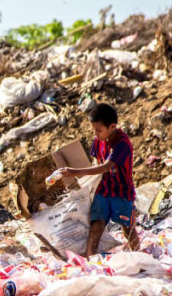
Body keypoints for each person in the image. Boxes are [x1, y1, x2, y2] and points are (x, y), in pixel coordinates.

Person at [48, 102, 138, 257]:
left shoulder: (122, 144)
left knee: (127, 227)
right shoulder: (98, 140)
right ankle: (91, 261)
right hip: (103, 190)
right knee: (96, 225)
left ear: (112, 127)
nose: (96, 134)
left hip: (122, 192)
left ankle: (138, 256)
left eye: (99, 130)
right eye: (94, 131)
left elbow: (105, 167)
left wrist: (73, 172)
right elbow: (96, 163)